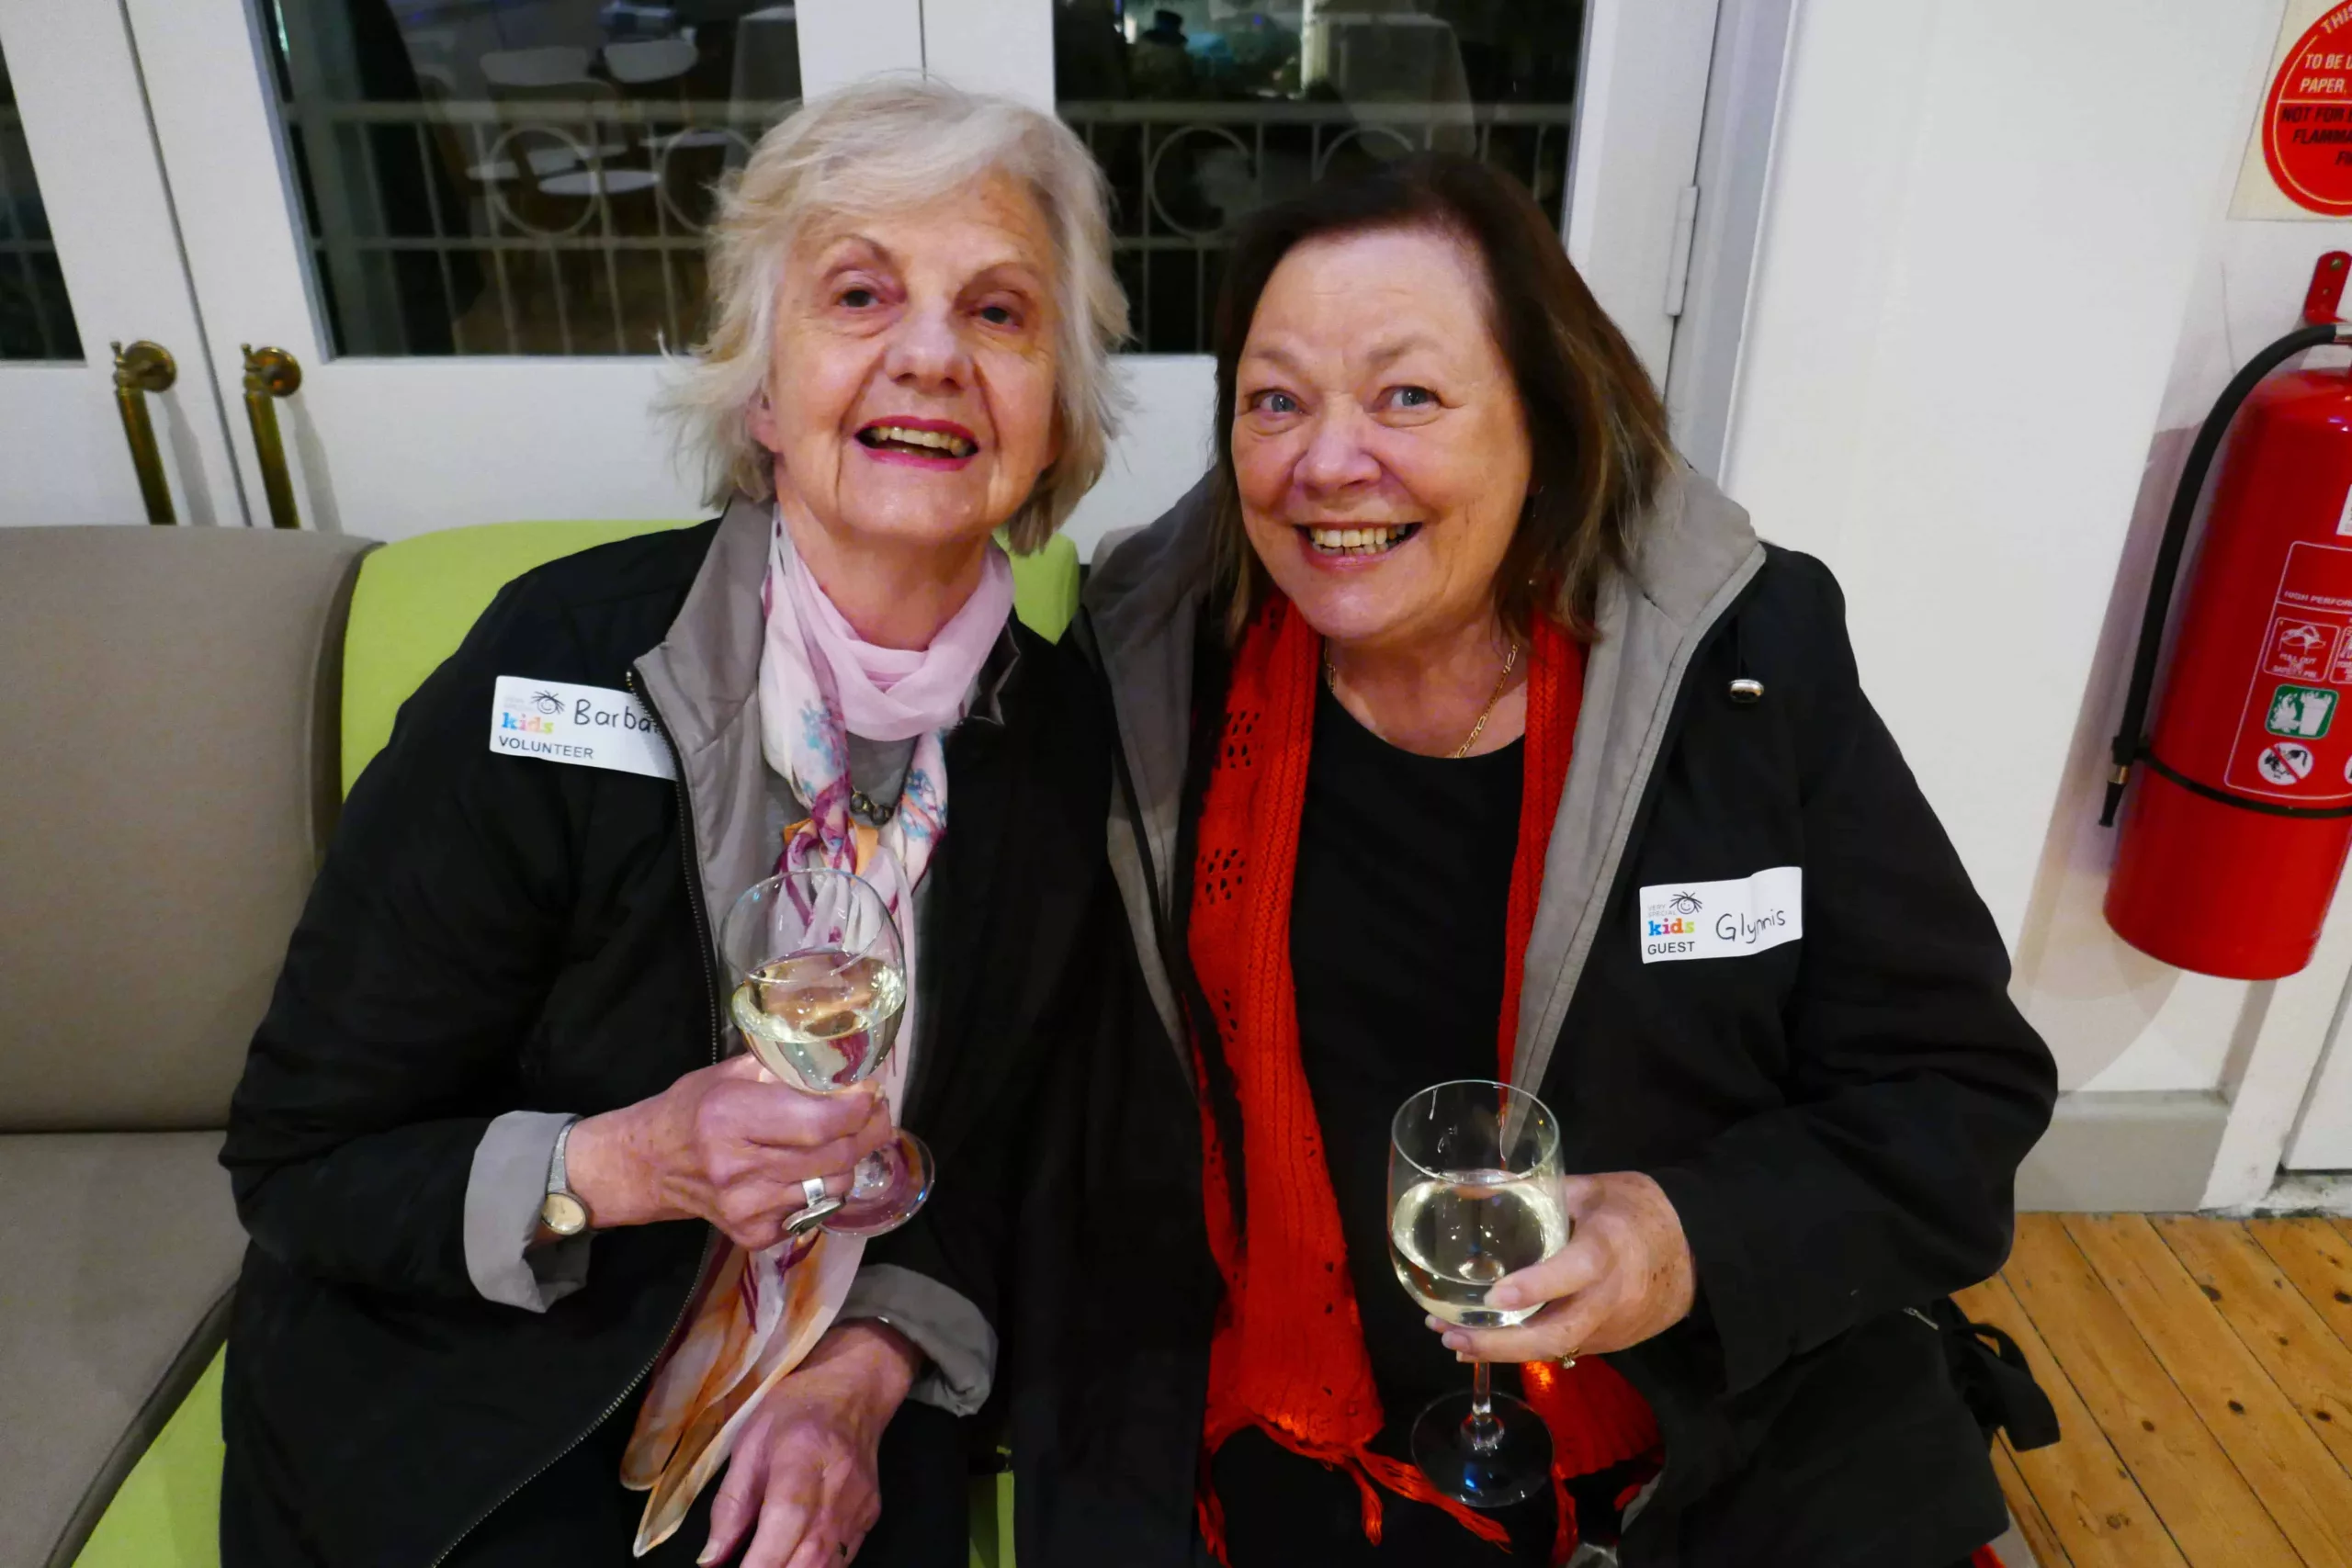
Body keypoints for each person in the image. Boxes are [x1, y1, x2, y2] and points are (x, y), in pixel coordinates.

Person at [1014, 154, 2060, 1567]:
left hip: (1723, 1418)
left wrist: (1688, 1241)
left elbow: (1955, 1092)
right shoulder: (1154, 674)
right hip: (1310, 1426)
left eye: (1408, 396)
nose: (1328, 461)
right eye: (1275, 401)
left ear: (1547, 422)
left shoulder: (1742, 666)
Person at [216, 78, 1125, 1568]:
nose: (930, 355)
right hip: (494, 1399)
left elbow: (1011, 1140)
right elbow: (298, 1162)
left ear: (1057, 417)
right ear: (763, 392)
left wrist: (864, 1371)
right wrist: (633, 1161)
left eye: (1000, 312)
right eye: (859, 295)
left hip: (822, 1381)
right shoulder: (552, 667)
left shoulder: (1061, 730)